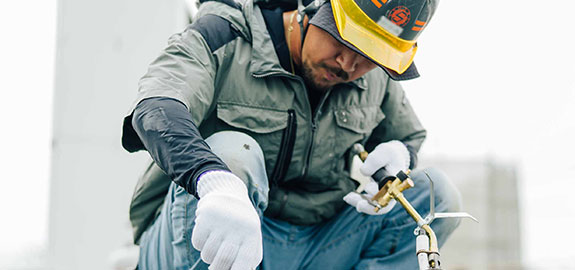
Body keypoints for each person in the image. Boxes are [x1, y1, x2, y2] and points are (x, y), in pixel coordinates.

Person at [120, 0, 461, 269]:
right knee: (232, 151)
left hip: (315, 246)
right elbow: (157, 107)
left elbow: (407, 136)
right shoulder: (225, 33)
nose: (348, 63)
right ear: (312, 7)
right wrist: (213, 182)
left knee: (435, 194)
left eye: (371, 55)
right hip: (198, 243)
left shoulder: (374, 78)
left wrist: (398, 159)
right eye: (344, 38)